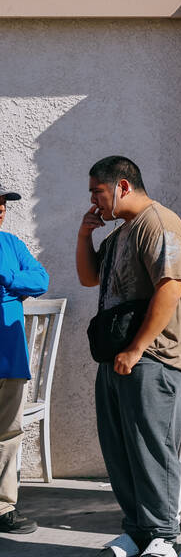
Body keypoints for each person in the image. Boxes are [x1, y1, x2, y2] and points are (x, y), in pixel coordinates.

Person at [76, 157, 181, 557]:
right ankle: (137, 531)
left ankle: (164, 535)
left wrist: (136, 347)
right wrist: (84, 236)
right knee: (121, 449)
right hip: (117, 358)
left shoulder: (159, 224)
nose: (94, 199)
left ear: (122, 186)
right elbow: (89, 277)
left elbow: (169, 288)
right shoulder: (122, 232)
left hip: (153, 358)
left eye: (98, 191)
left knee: (151, 448)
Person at [0, 186, 49, 535]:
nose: (1, 210)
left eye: (2, 205)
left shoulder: (11, 244)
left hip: (10, 356)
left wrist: (9, 281)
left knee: (8, 433)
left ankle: (3, 508)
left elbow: (41, 279)